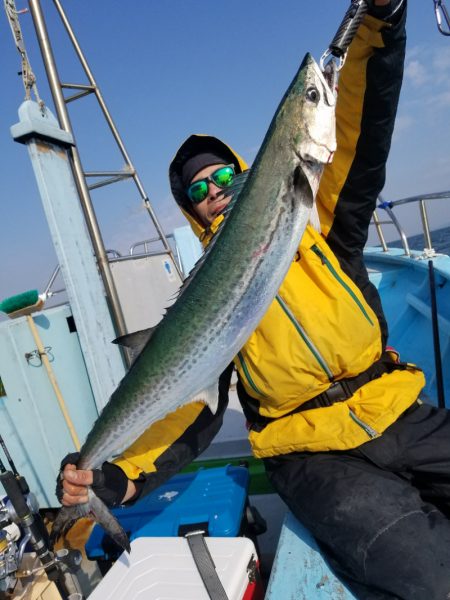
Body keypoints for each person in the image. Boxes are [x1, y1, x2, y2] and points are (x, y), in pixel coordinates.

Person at [57, 1, 450, 597]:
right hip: (311, 456)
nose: (215, 190)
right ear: (191, 212)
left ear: (247, 171)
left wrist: (380, 27)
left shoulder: (315, 220)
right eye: (199, 190)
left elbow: (358, 135)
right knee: (426, 571)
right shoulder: (202, 293)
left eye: (222, 176)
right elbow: (190, 404)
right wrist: (110, 474)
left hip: (396, 408)